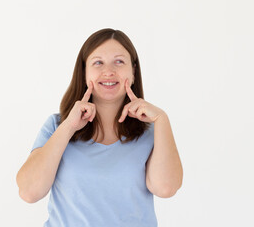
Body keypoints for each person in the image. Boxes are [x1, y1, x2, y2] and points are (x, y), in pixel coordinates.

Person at [16, 28, 183, 226]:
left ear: (134, 71)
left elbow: (166, 188)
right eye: (98, 63)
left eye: (119, 62)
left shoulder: (152, 131)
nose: (109, 71)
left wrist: (162, 119)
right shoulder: (57, 126)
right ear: (84, 72)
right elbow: (29, 192)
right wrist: (69, 126)